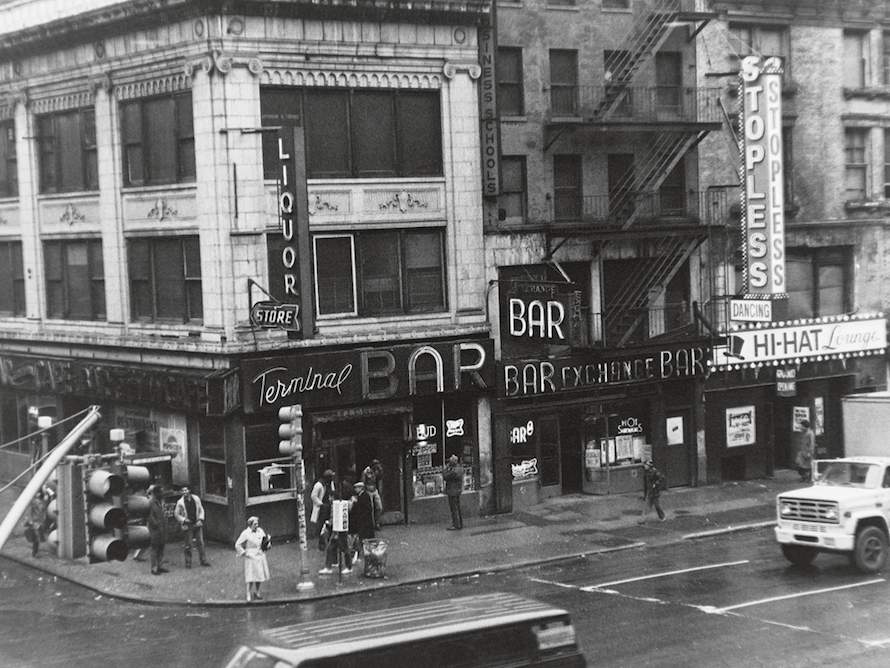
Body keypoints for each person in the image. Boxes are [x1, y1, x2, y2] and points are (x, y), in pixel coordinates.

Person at [235, 516, 271, 601]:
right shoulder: (246, 533)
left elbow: (264, 541)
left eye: (257, 524)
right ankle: (248, 593)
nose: (257, 525)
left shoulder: (260, 531)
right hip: (251, 556)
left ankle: (257, 592)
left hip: (260, 555)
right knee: (250, 576)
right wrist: (244, 553)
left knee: (259, 575)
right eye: (255, 524)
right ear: (250, 525)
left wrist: (268, 544)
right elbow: (237, 544)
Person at [173, 486, 210, 568]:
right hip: (188, 525)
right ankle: (188, 562)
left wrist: (200, 519)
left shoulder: (196, 499)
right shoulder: (180, 502)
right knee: (188, 544)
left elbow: (201, 509)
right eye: (182, 490)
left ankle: (203, 560)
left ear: (189, 490)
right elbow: (176, 514)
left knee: (200, 543)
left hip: (197, 523)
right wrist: (184, 520)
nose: (184, 492)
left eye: (185, 490)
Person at [310, 469, 335, 551]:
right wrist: (321, 504)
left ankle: (329, 542)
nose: (332, 479)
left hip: (328, 507)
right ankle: (321, 544)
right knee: (321, 526)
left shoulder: (329, 484)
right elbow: (313, 496)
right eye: (331, 477)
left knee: (330, 525)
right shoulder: (318, 485)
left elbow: (332, 493)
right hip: (321, 509)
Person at [147, 485, 168, 575]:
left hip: (162, 528)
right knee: (154, 548)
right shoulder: (150, 502)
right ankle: (154, 568)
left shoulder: (161, 501)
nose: (163, 493)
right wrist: (156, 524)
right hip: (154, 530)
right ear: (156, 493)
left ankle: (160, 566)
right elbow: (149, 516)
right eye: (161, 492)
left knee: (161, 547)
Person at [23, 489, 47, 557]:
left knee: (37, 538)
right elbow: (31, 511)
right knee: (36, 538)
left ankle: (35, 552)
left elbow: (42, 511)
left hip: (38, 522)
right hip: (35, 522)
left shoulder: (40, 501)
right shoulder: (36, 502)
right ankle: (34, 552)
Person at [443, 455, 464, 531]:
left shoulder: (454, 471)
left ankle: (456, 524)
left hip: (452, 491)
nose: (449, 462)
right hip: (457, 491)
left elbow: (445, 476)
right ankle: (459, 523)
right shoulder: (459, 468)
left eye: (450, 461)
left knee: (454, 509)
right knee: (457, 508)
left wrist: (446, 468)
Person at [362, 459, 384, 528]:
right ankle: (372, 524)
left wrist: (380, 470)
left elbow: (380, 477)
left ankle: (377, 522)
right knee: (370, 508)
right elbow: (363, 482)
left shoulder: (376, 470)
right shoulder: (366, 471)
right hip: (368, 490)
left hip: (375, 490)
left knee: (379, 507)